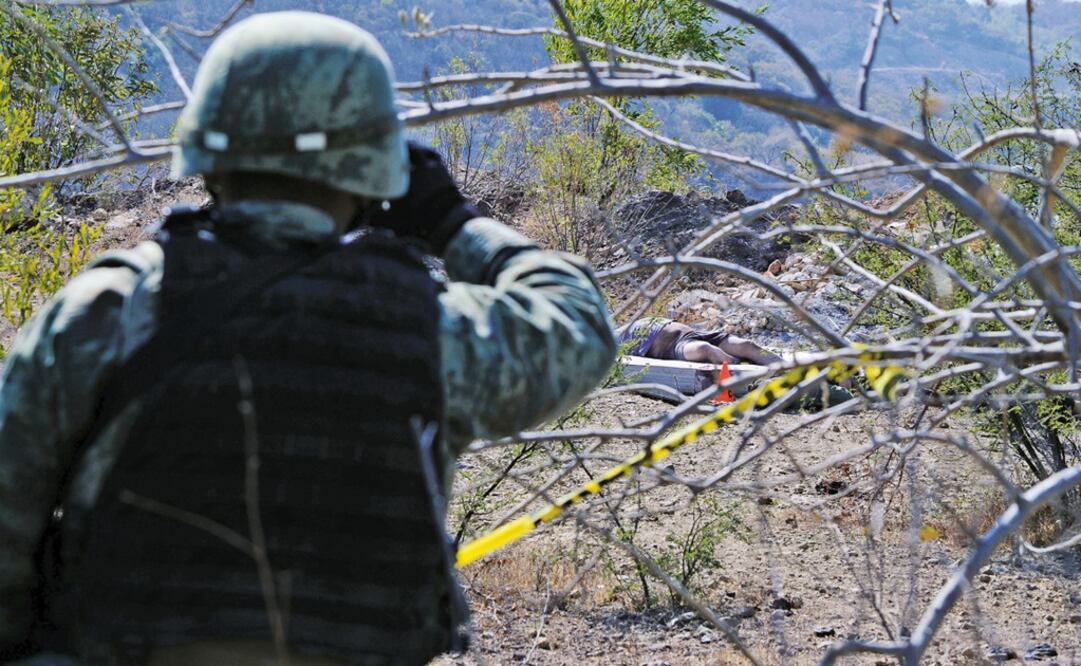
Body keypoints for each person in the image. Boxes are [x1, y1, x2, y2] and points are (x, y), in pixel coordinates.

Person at [0, 12, 616, 666]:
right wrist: (453, 223)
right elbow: (578, 321)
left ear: (211, 157)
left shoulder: (108, 310)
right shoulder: (430, 329)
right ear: (373, 174)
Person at [617, 317, 782, 366]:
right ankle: (738, 365)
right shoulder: (615, 341)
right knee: (705, 350)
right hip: (674, 347)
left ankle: (786, 367)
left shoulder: (620, 329)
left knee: (747, 345)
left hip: (693, 332)